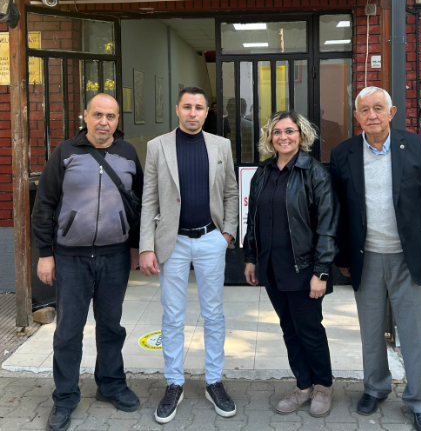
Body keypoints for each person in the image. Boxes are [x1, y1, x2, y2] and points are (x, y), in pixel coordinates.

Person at [330, 87, 421, 431]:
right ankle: (375, 388)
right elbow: (339, 210)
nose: (372, 115)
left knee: (412, 333)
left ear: (392, 112)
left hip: (407, 257)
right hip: (366, 257)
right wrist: (342, 255)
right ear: (357, 117)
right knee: (370, 332)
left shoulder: (414, 145)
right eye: (365, 110)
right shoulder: (343, 153)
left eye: (378, 108)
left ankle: (420, 402)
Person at [33, 93, 143, 431]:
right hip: (71, 258)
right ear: (85, 115)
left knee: (111, 327)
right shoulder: (65, 152)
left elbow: (138, 204)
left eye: (110, 116)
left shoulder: (128, 153)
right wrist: (45, 254)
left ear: (117, 120)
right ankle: (65, 397)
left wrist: (135, 246)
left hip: (114, 256)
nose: (103, 122)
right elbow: (44, 203)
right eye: (98, 114)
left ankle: (110, 385)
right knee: (68, 331)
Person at [139, 86, 239, 424]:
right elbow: (149, 199)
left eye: (199, 107)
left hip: (211, 239)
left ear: (207, 112)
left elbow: (231, 192)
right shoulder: (158, 146)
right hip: (173, 242)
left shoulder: (221, 145)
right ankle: (174, 383)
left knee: (213, 314)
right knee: (172, 316)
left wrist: (227, 234)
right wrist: (147, 246)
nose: (193, 113)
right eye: (187, 107)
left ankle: (214, 381)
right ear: (177, 110)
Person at [243, 111, 339, 418]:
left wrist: (321, 272)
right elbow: (252, 219)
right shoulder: (263, 172)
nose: (283, 137)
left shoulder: (314, 172)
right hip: (272, 267)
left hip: (304, 268)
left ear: (301, 135)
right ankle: (303, 385)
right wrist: (250, 258)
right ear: (270, 138)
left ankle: (323, 385)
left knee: (309, 329)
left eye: (289, 131)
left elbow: (327, 226)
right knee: (289, 329)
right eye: (277, 132)